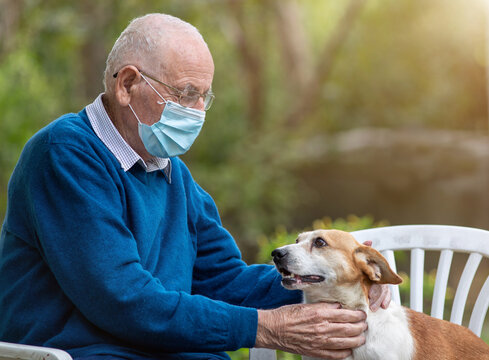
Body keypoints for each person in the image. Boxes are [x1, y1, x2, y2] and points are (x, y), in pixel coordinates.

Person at [0, 13, 389, 360]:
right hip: (84, 352)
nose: (197, 111)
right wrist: (266, 327)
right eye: (186, 94)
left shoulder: (173, 173)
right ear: (128, 85)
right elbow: (124, 301)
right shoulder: (65, 154)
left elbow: (223, 280)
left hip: (164, 350)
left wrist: (334, 276)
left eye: (204, 97)